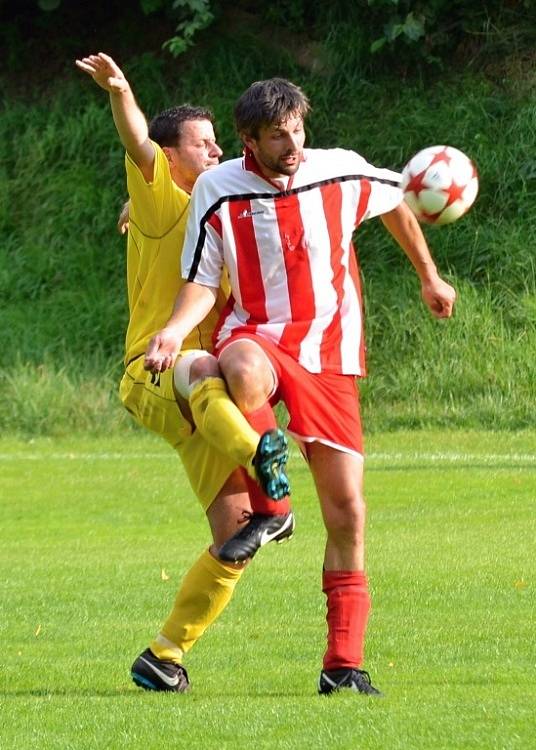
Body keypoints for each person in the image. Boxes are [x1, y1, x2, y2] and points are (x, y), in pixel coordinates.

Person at [144, 77, 456, 697]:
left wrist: (429, 275)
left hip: (330, 356)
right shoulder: (218, 187)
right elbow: (203, 282)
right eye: (277, 135)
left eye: (297, 130)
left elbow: (394, 200)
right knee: (238, 367)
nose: (292, 144)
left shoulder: (339, 171)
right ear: (247, 140)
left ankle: (342, 666)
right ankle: (273, 493)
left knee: (348, 515)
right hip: (256, 335)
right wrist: (176, 331)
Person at [75, 55, 295, 693]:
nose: (217, 150)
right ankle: (262, 455)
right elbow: (139, 141)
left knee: (239, 533)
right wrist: (121, 92)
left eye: (218, 141)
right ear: (172, 159)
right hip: (156, 369)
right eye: (203, 143)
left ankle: (164, 654)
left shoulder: (218, 211)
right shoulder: (164, 194)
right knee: (199, 362)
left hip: (204, 405)